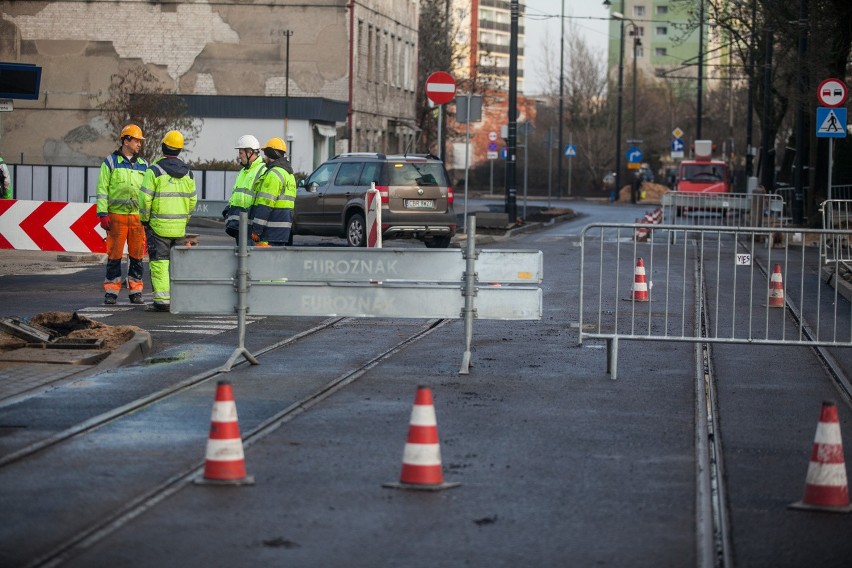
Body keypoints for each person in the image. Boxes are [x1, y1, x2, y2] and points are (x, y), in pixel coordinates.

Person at [139, 130, 197, 312]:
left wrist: (145, 219)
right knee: (177, 263)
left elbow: (144, 199)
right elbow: (193, 201)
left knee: (159, 263)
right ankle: (178, 298)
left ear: (163, 146)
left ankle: (162, 301)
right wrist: (184, 220)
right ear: (179, 150)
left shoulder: (154, 171)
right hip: (179, 228)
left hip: (158, 227)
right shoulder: (188, 174)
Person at [96, 124, 149, 305]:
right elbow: (102, 190)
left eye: (140, 142)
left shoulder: (144, 165)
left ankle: (136, 291)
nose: (139, 144)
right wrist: (102, 214)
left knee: (137, 257)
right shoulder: (110, 163)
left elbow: (148, 192)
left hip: (137, 218)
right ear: (126, 140)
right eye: (136, 141)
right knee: (114, 257)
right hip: (116, 217)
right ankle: (111, 292)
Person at [250, 137, 296, 247]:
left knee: (264, 263)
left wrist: (257, 230)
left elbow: (265, 204)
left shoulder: (273, 174)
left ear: (270, 154)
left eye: (266, 154)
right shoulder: (289, 175)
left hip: (269, 232)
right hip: (282, 232)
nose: (264, 157)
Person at [223, 135, 265, 244]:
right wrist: (228, 210)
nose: (239, 156)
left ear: (250, 152)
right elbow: (236, 195)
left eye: (241, 153)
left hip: (252, 228)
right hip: (239, 226)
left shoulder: (262, 170)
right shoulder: (242, 172)